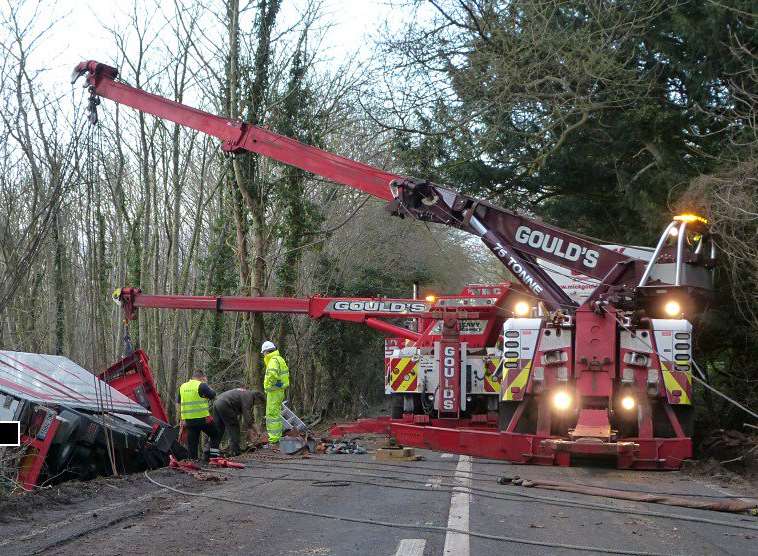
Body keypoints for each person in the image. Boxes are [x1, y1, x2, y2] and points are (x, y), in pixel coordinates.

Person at [177, 369, 221, 461]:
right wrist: (206, 384)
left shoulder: (182, 387)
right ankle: (214, 458)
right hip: (202, 419)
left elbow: (178, 403)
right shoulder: (201, 385)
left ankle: (193, 461)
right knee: (215, 434)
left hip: (189, 421)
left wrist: (181, 419)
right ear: (201, 377)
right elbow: (213, 395)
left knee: (192, 442)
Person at [207, 388, 265, 457]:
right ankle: (235, 451)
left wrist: (251, 428)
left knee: (218, 429)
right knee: (234, 428)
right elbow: (247, 415)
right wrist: (255, 430)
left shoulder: (245, 393)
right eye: (258, 403)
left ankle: (211, 452)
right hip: (225, 404)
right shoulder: (249, 396)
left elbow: (248, 415)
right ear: (257, 398)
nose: (256, 405)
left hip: (217, 403)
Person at [261, 341, 290, 447]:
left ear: (266, 352)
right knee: (276, 414)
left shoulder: (273, 361)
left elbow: (272, 376)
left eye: (263, 353)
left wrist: (270, 386)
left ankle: (274, 440)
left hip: (274, 391)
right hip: (279, 391)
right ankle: (276, 437)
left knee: (271, 415)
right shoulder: (279, 359)